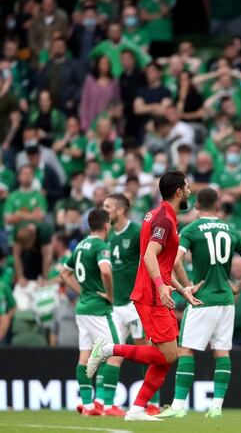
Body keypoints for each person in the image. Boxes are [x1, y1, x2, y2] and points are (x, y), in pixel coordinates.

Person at [85, 171, 203, 421]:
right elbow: (149, 256)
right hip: (151, 295)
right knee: (168, 355)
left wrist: (185, 289)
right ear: (179, 192)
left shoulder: (159, 215)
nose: (190, 192)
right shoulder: (164, 220)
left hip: (157, 292)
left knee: (166, 357)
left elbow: (164, 261)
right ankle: (107, 348)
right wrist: (161, 286)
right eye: (188, 187)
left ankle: (137, 408)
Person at [158, 187, 241, 419]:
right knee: (221, 352)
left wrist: (187, 289)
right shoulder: (231, 230)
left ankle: (178, 406)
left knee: (185, 350)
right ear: (217, 205)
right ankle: (216, 407)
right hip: (226, 299)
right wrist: (238, 286)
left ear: (196, 206)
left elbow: (175, 262)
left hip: (202, 299)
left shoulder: (191, 229)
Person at [58, 209, 120, 417]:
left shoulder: (81, 245)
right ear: (106, 225)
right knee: (113, 353)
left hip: (82, 308)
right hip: (97, 309)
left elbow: (64, 274)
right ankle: (105, 404)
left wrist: (82, 291)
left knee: (86, 357)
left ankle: (88, 405)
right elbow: (105, 270)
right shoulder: (101, 246)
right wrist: (110, 294)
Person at [103, 194, 144, 416]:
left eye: (107, 207)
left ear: (120, 210)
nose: (104, 210)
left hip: (135, 303)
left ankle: (151, 402)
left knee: (145, 351)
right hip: (115, 305)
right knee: (114, 353)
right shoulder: (106, 234)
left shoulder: (137, 232)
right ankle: (107, 405)